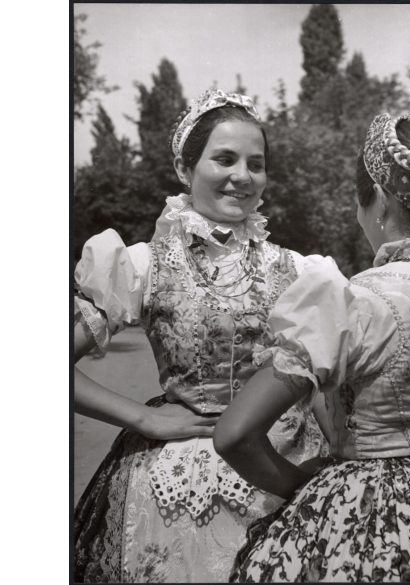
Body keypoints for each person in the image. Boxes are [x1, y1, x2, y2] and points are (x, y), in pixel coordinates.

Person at [215, 112, 410, 582]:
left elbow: (234, 434)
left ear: (374, 200)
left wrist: (300, 486)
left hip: (367, 519)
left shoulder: (349, 302)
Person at [73, 89, 326, 583]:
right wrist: (143, 417)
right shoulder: (142, 263)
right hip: (175, 487)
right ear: (186, 171)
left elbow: (324, 384)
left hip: (285, 473)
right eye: (225, 159)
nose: (242, 176)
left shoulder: (299, 270)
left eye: (256, 163)